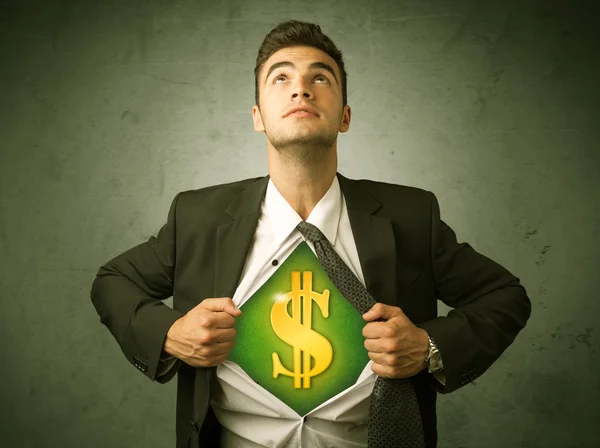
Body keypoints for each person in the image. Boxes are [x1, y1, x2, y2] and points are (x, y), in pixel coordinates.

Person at [90, 20, 531, 448]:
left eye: (320, 77)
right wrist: (170, 334)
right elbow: (113, 281)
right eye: (280, 78)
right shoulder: (198, 216)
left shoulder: (411, 216)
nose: (301, 88)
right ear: (258, 117)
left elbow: (505, 296)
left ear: (345, 116)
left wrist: (427, 345)